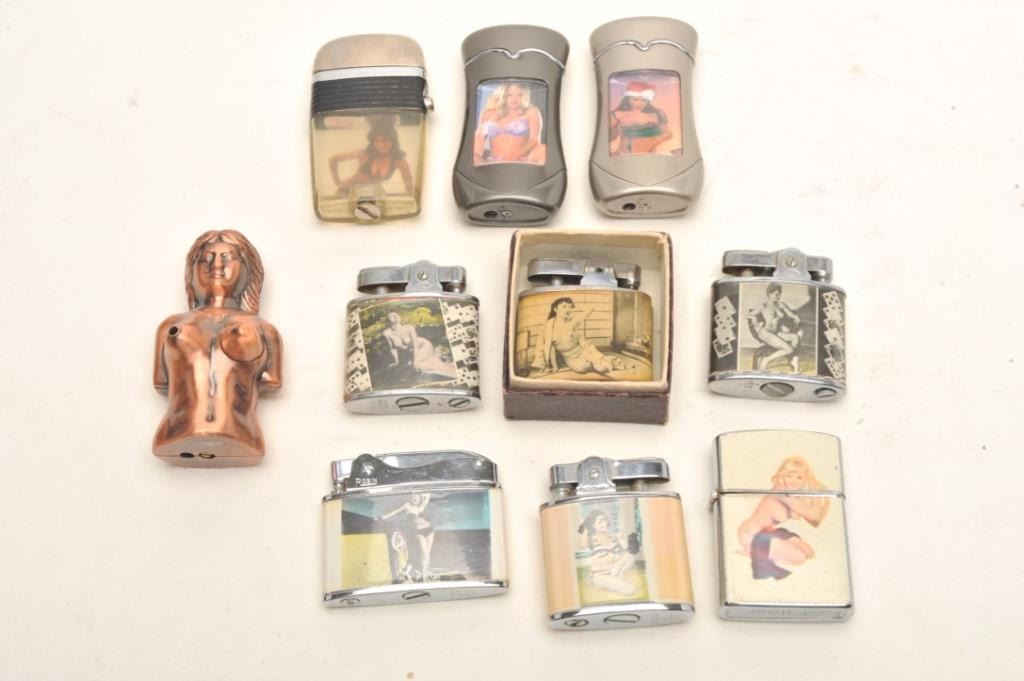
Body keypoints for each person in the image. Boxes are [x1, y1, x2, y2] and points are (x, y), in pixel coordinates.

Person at [153, 230, 283, 463]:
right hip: (174, 435)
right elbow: (161, 382)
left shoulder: (265, 330)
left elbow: (272, 381)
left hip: (242, 437)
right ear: (191, 271)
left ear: (247, 271)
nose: (216, 265)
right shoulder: (170, 326)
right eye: (206, 258)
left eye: (228, 258)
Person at [736, 457, 830, 580]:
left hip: (769, 533)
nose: (793, 481)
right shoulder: (780, 491)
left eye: (799, 477)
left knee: (809, 553)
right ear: (782, 475)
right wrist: (824, 498)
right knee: (800, 558)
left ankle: (760, 553)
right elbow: (814, 516)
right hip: (752, 535)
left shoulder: (792, 495)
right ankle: (755, 554)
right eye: (789, 475)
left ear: (805, 479)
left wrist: (819, 498)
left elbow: (814, 521)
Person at [531, 297, 627, 376]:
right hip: (570, 356)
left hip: (583, 350)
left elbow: (590, 310)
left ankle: (601, 361)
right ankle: (596, 362)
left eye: (570, 307)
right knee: (583, 367)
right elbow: (550, 348)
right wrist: (554, 366)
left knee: (602, 368)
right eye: (564, 307)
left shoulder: (573, 321)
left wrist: (575, 306)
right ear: (555, 309)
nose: (567, 310)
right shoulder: (549, 326)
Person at [329, 122, 413, 193]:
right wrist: (337, 183)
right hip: (346, 192)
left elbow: (409, 186)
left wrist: (408, 199)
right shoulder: (364, 154)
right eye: (377, 141)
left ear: (393, 141)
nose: (381, 144)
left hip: (370, 196)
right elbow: (333, 159)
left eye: (385, 140)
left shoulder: (399, 161)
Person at [474, 82, 544, 164]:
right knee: (472, 156)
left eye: (519, 95)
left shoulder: (531, 112)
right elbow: (479, 141)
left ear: (525, 96)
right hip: (494, 162)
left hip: (520, 160)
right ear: (503, 95)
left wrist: (518, 155)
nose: (514, 99)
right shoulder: (488, 113)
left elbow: (534, 140)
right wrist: (476, 157)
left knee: (543, 150)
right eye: (509, 95)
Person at [577, 510, 638, 596]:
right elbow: (582, 545)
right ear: (593, 525)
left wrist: (623, 540)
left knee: (630, 556)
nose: (604, 523)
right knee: (630, 590)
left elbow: (624, 553)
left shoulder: (613, 536)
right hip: (600, 575)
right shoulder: (592, 538)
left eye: (605, 520)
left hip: (614, 571)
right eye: (600, 522)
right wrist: (585, 528)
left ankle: (616, 579)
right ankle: (610, 582)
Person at [381, 312, 456, 378]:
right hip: (411, 351)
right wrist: (397, 361)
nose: (394, 316)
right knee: (408, 365)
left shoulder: (409, 328)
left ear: (400, 318)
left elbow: (415, 345)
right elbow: (392, 348)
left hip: (423, 345)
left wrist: (415, 362)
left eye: (396, 315)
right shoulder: (387, 333)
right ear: (388, 320)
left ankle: (444, 372)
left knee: (414, 364)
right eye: (391, 315)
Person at [747, 284, 803, 371]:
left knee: (796, 337)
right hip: (766, 333)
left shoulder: (781, 304)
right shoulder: (764, 306)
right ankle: (765, 360)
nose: (779, 296)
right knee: (789, 349)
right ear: (769, 294)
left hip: (776, 332)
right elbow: (748, 315)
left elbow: (792, 315)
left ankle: (793, 361)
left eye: (780, 294)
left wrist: (796, 317)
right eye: (776, 294)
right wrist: (754, 318)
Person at [609, 81, 673, 155]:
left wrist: (652, 141)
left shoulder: (657, 114)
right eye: (635, 99)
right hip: (624, 156)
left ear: (648, 100)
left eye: (644, 100)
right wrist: (617, 130)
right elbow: (607, 137)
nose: (639, 104)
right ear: (628, 98)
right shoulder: (617, 114)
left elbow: (668, 133)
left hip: (650, 156)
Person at [381, 493, 434, 580]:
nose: (415, 498)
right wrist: (383, 517)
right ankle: (424, 576)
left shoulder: (421, 507)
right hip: (419, 532)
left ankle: (425, 574)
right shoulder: (407, 506)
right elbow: (395, 512)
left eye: (417, 497)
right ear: (410, 498)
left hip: (429, 530)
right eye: (413, 497)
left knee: (427, 554)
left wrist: (423, 494)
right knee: (424, 553)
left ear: (419, 499)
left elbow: (428, 496)